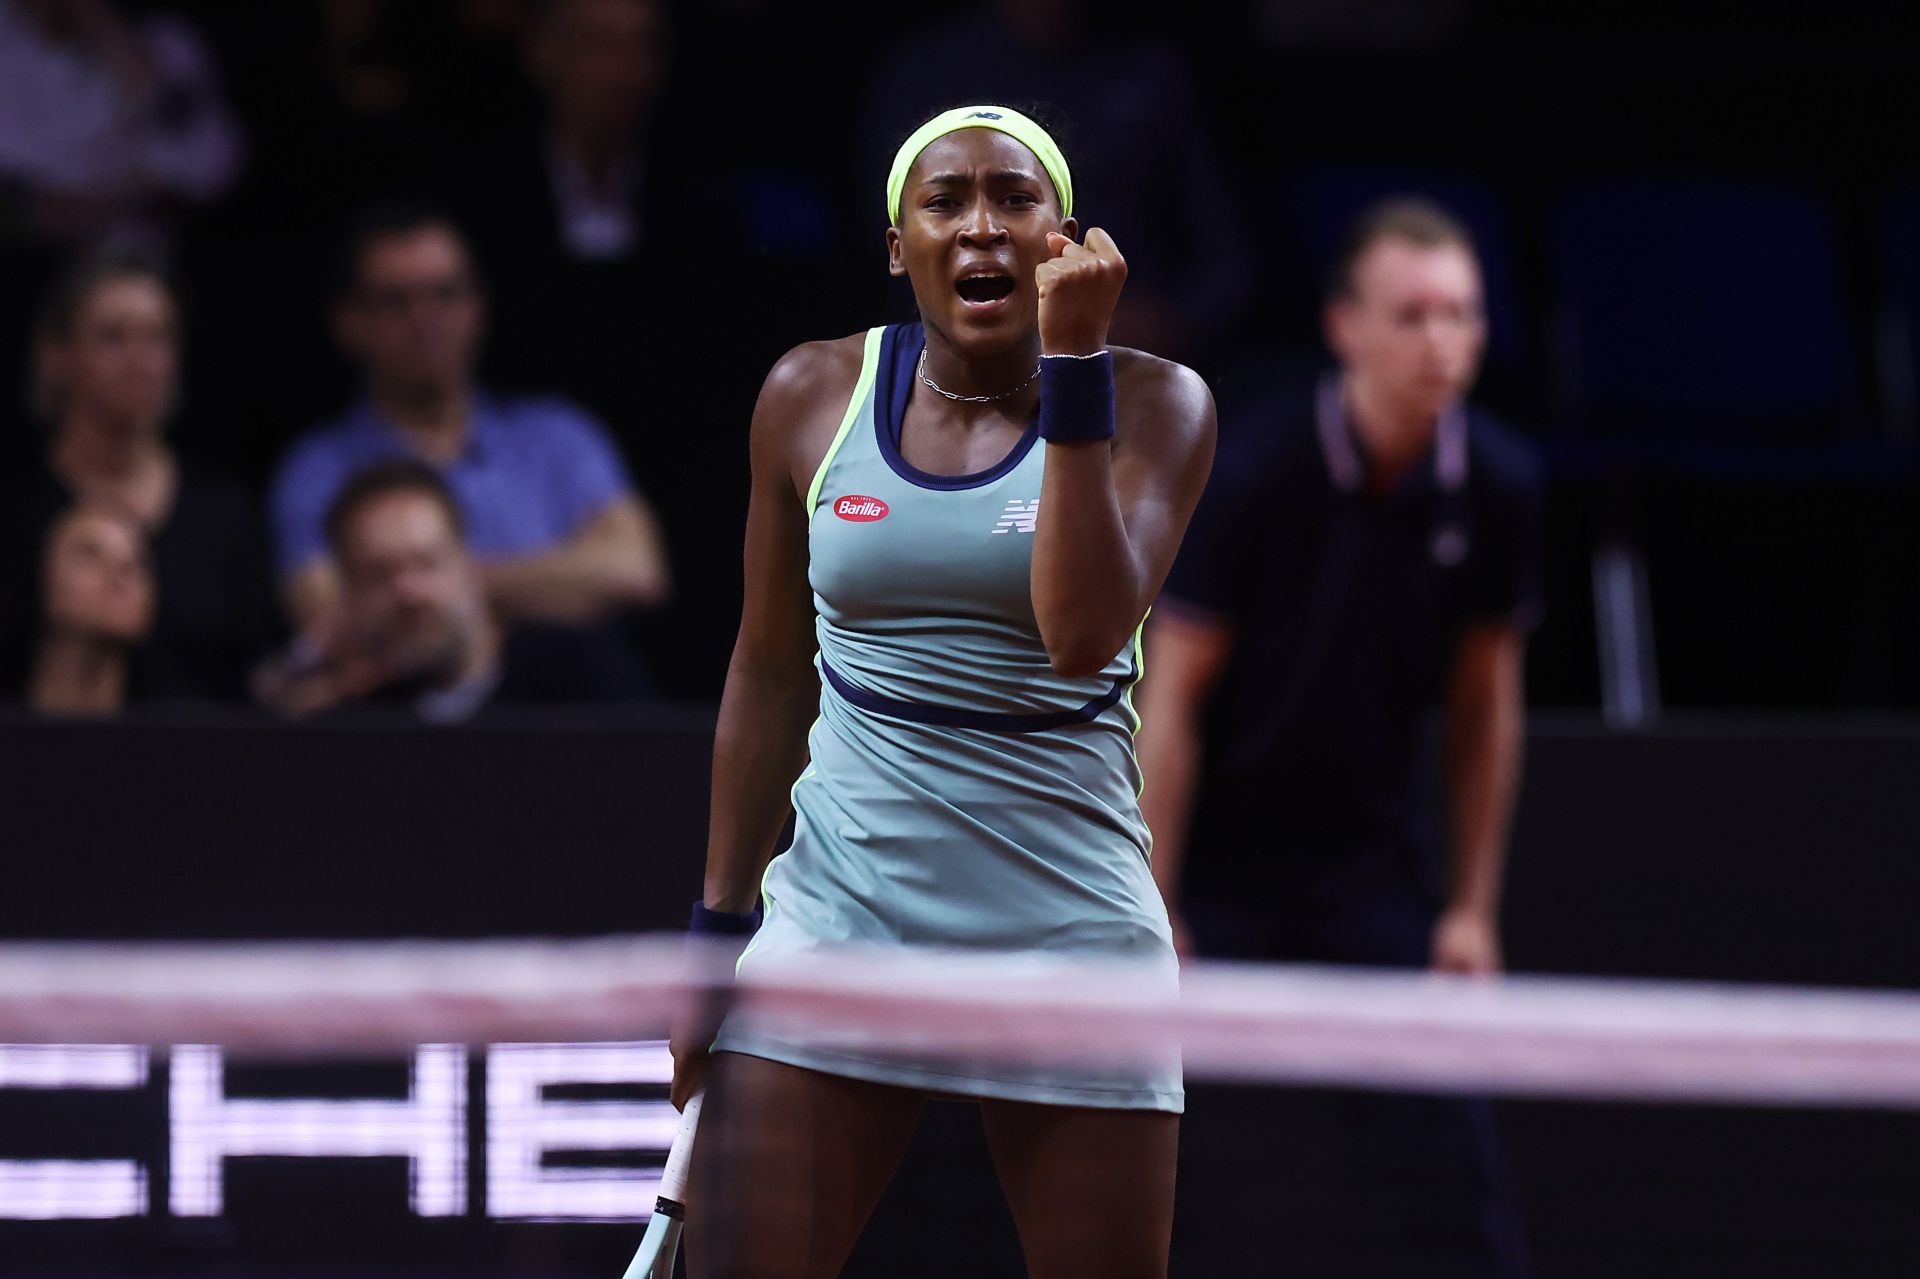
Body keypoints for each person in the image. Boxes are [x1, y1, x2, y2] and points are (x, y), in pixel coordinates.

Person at [670, 106, 1215, 1279]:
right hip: (838, 922)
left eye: (1016, 201)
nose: (983, 227)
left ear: (1063, 239)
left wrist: (1073, 368)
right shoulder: (809, 396)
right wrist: (716, 936)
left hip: (1070, 932)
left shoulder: (1160, 406)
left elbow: (1079, 634)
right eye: (947, 200)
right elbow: (770, 672)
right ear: (895, 243)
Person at [1136, 198, 1541, 1275]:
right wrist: (1151, 904)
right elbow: (1169, 698)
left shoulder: (1499, 487)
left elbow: (1483, 706)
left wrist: (1467, 909)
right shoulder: (1253, 465)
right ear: (1344, 327)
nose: (1440, 343)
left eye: (1462, 315)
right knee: (1142, 1153)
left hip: (1369, 865)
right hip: (1218, 862)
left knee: (1451, 1167)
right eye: (1411, 315)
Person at [269, 204, 672, 641]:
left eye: (444, 294)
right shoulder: (316, 469)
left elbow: (636, 569)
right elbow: (326, 617)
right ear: (349, 322)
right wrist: (551, 584)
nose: (423, 320)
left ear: (478, 306)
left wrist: (434, 590)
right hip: (403, 706)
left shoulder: (557, 436)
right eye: (396, 301)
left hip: (563, 700)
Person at [0, 250, 275, 701]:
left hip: (198, 762)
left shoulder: (224, 514)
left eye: (158, 338)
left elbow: (256, 678)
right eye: (112, 338)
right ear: (56, 356)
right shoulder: (12, 515)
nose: (139, 360)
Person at [255, 459, 648, 722]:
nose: (408, 591)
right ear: (348, 595)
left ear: (469, 565)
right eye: (378, 574)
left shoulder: (577, 675)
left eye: (426, 563)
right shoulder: (355, 714)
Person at [17, 502, 155, 717]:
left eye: (136, 562)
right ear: (39, 578)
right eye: (90, 555)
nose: (121, 575)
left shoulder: (188, 731)